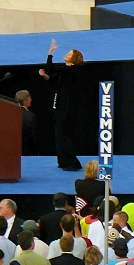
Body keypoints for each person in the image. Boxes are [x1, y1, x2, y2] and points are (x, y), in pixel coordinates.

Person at [39, 38, 85, 171]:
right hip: (59, 104)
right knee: (58, 135)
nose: (66, 54)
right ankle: (63, 161)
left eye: (70, 54)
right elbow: (54, 80)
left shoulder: (71, 70)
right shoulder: (66, 71)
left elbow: (51, 68)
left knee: (62, 135)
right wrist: (45, 76)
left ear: (74, 59)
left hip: (66, 107)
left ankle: (72, 162)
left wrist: (50, 52)